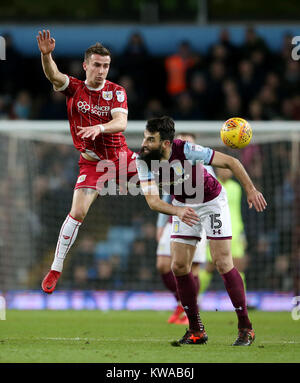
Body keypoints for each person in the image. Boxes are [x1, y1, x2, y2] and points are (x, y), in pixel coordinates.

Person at [136, 116, 267, 346]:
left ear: (166, 143)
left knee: (222, 262)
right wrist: (177, 211)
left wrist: (251, 190)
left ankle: (245, 327)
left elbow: (232, 163)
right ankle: (196, 330)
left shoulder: (186, 149)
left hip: (211, 202)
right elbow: (153, 202)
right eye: (145, 137)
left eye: (151, 139)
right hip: (183, 207)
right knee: (178, 266)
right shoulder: (143, 160)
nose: (144, 143)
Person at [36, 30, 137, 293]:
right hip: (92, 163)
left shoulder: (116, 92)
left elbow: (121, 122)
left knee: (166, 181)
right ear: (86, 66)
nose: (101, 71)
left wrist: (100, 129)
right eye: (96, 65)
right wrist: (47, 56)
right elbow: (53, 75)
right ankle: (56, 269)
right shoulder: (74, 88)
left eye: (105, 66)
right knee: (78, 212)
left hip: (120, 158)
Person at [156, 133, 215, 325]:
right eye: (182, 140)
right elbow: (166, 196)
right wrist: (160, 224)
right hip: (174, 219)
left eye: (188, 141)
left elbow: (213, 198)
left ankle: (190, 311)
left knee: (192, 268)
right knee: (163, 265)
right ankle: (181, 303)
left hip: (198, 221)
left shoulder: (205, 166)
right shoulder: (171, 164)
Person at [199, 167, 248, 296]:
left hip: (235, 231)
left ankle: (242, 299)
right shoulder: (212, 185)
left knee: (238, 267)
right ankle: (196, 296)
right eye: (223, 169)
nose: (226, 172)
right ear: (217, 171)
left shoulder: (236, 188)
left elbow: (237, 211)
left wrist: (242, 233)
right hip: (216, 230)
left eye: (228, 169)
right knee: (209, 267)